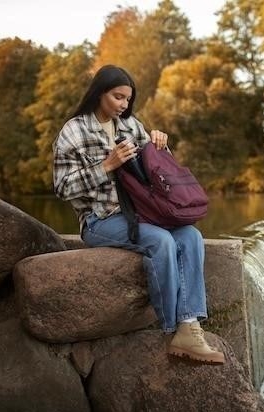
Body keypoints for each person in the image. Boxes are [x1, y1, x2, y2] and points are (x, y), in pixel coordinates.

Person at [53, 64, 224, 364]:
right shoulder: (73, 131)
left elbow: (158, 176)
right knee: (162, 242)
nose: (124, 105)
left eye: (128, 100)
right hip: (100, 219)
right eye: (118, 97)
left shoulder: (132, 126)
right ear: (99, 93)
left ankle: (189, 324)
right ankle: (171, 327)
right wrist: (106, 166)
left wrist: (161, 146)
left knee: (191, 236)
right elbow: (63, 188)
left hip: (144, 213)